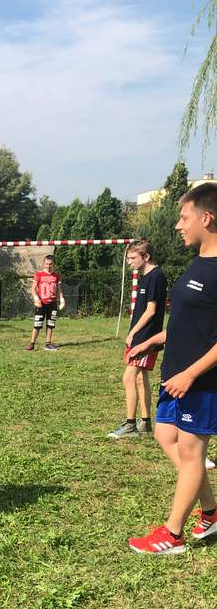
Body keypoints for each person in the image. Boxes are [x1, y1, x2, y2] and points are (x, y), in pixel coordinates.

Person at [127, 182, 217, 553]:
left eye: (183, 217)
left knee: (192, 451)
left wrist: (191, 373)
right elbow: (186, 322)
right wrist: (152, 340)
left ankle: (172, 534)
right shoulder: (198, 262)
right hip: (174, 376)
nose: (178, 225)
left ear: (206, 218)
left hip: (201, 381)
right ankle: (211, 511)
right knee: (166, 436)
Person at [108, 240, 168, 439]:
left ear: (146, 256)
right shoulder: (146, 277)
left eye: (133, 258)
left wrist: (133, 332)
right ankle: (145, 422)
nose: (129, 262)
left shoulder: (156, 276)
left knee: (128, 378)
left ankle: (130, 425)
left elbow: (151, 311)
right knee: (141, 378)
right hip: (141, 336)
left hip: (145, 338)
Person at [26, 255, 65, 351]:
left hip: (52, 303)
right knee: (37, 324)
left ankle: (48, 343)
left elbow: (59, 289)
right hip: (41, 303)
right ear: (43, 264)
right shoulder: (39, 274)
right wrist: (36, 298)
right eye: (47, 264)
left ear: (53, 264)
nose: (48, 266)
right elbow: (33, 288)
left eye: (50, 264)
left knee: (50, 324)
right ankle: (32, 343)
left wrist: (62, 299)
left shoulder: (56, 275)